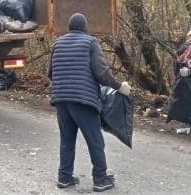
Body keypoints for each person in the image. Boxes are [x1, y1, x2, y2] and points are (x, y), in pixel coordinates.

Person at [48, 13, 131, 192]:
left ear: (70, 27)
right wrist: (119, 86)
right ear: (85, 27)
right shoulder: (90, 43)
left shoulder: (58, 43)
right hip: (83, 101)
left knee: (67, 139)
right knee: (95, 141)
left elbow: (51, 73)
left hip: (61, 99)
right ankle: (101, 179)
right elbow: (101, 73)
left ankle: (64, 176)